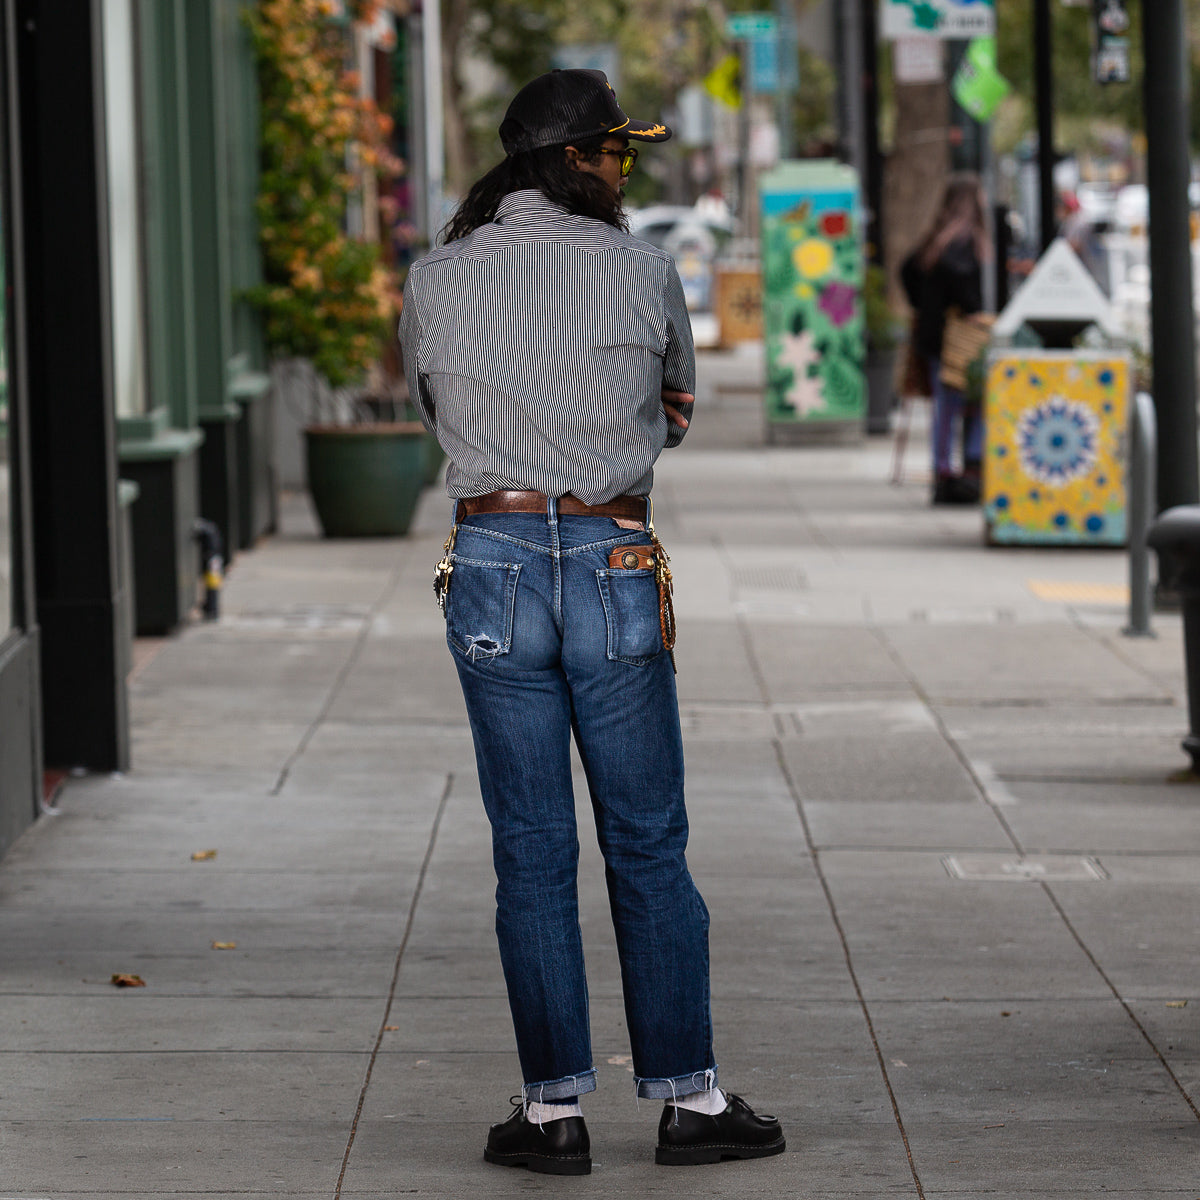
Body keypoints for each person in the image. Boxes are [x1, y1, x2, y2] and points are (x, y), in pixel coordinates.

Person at [399, 69, 785, 1175]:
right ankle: (693, 1104)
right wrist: (596, 466)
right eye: (617, 152)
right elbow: (675, 408)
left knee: (529, 849)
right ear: (573, 159)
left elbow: (428, 404)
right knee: (648, 839)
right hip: (613, 557)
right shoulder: (642, 267)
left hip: (492, 559)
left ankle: (552, 1112)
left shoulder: (437, 275)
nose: (627, 169)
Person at [900, 173, 993, 505]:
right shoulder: (966, 241)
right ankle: (970, 464)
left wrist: (922, 307)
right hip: (962, 337)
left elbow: (907, 270)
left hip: (934, 336)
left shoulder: (935, 240)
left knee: (946, 406)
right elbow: (964, 281)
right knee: (974, 401)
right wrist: (970, 309)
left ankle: (943, 467)